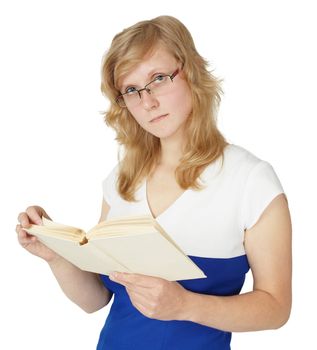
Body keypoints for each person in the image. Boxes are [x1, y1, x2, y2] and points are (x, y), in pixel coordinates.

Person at [16, 15, 292, 350]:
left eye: (158, 79)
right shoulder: (121, 181)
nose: (147, 102)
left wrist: (185, 305)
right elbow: (96, 299)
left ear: (191, 71)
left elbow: (276, 308)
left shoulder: (251, 181)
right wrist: (56, 255)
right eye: (131, 90)